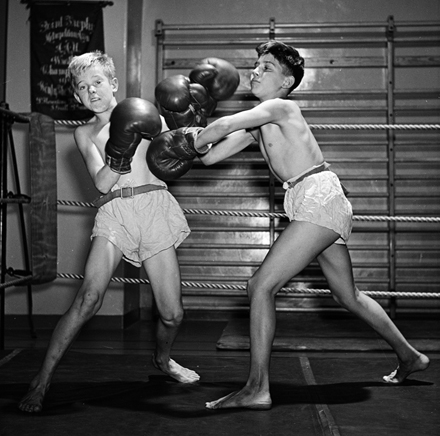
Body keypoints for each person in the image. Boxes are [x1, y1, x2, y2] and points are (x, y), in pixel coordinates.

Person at [147, 40, 430, 411]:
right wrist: (190, 134)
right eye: (255, 65)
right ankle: (410, 355)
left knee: (260, 286)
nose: (255, 71)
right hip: (309, 199)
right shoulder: (259, 123)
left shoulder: (280, 107)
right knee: (348, 296)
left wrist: (196, 132)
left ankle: (257, 388)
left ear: (286, 82)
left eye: (266, 67)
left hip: (317, 195)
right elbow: (212, 155)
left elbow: (224, 126)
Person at [18, 51, 199, 413]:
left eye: (97, 82)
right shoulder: (83, 133)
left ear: (113, 83)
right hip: (114, 210)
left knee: (172, 314)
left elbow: (177, 156)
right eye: (83, 87)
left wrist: (192, 128)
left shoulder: (148, 113)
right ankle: (41, 380)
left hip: (153, 206)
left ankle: (163, 360)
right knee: (88, 299)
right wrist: (121, 150)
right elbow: (102, 183)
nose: (91, 91)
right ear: (77, 97)